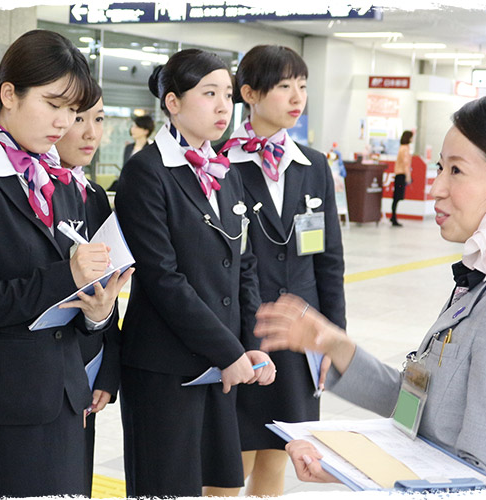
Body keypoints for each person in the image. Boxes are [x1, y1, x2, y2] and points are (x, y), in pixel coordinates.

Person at [255, 92, 486, 488]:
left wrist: (365, 476)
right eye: (441, 167)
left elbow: (484, 484)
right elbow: (419, 408)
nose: (436, 187)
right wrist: (336, 346)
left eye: (456, 171)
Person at [0, 30, 132, 497]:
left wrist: (98, 314)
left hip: (66, 398)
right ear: (8, 94)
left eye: (73, 109)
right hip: (1, 408)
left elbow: (80, 302)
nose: (64, 122)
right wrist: (68, 275)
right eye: (54, 104)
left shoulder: (61, 184)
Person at [114, 49, 276, 498]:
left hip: (220, 363)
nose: (224, 106)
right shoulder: (145, 174)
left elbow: (243, 264)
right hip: (166, 368)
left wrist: (250, 346)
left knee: (219, 483)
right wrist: (228, 351)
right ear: (173, 102)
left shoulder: (227, 172)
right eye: (209, 93)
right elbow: (163, 278)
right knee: (168, 486)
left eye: (227, 94)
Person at [217, 44, 345, 497]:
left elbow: (329, 259)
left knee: (281, 455)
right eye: (284, 86)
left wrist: (335, 336)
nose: (297, 97)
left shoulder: (313, 165)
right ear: (249, 93)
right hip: (242, 337)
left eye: (303, 86)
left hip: (301, 339)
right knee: (229, 465)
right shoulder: (219, 162)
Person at [54, 82, 122, 496]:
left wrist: (107, 372)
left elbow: (112, 288)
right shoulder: (32, 194)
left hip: (89, 367)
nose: (90, 132)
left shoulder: (94, 195)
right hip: (43, 375)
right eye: (78, 118)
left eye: (98, 119)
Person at [391, 130, 413, 226]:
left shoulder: (402, 147)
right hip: (401, 175)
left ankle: (393, 217)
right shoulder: (405, 149)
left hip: (398, 174)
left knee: (396, 197)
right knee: (397, 197)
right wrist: (408, 176)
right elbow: (405, 163)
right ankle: (393, 218)